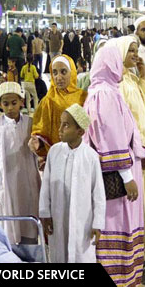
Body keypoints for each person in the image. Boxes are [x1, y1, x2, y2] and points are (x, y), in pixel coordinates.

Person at [83, 45, 145, 286]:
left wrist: (142, 152)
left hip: (124, 170)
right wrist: (126, 175)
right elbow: (110, 136)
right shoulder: (104, 94)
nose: (131, 57)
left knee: (124, 222)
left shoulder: (109, 90)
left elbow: (126, 129)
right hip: (117, 175)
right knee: (116, 223)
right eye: (126, 53)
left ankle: (126, 276)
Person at [106, 36, 145, 260]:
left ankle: (140, 252)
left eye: (137, 51)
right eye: (131, 51)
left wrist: (143, 76)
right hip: (129, 156)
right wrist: (140, 152)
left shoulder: (131, 80)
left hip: (140, 152)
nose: (135, 55)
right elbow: (123, 127)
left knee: (140, 206)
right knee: (130, 207)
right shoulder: (118, 85)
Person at [40, 104, 105, 263]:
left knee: (81, 254)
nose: (60, 129)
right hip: (58, 216)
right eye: (61, 123)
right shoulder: (54, 151)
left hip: (83, 221)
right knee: (59, 253)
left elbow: (98, 193)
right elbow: (46, 185)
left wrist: (97, 223)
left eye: (66, 125)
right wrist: (45, 213)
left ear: (80, 132)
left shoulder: (90, 157)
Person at [0, 82, 40, 244]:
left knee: (30, 219)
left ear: (21, 102)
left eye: (14, 103)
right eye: (5, 104)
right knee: (11, 224)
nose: (10, 108)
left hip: (28, 180)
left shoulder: (30, 124)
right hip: (6, 183)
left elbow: (37, 152)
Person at [29, 55, 87, 165]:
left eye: (63, 72)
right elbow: (41, 129)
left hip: (81, 156)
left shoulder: (83, 97)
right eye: (54, 73)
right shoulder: (48, 100)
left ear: (72, 72)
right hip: (58, 158)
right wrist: (38, 142)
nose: (58, 77)